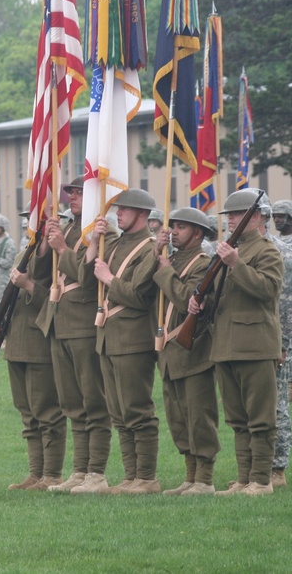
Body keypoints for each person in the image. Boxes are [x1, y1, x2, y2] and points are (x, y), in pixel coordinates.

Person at [191, 189, 283, 495]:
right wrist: (199, 303)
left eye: (235, 214)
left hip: (255, 345)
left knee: (261, 419)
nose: (229, 220)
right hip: (226, 345)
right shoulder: (229, 250)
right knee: (237, 419)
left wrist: (235, 264)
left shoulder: (266, 251)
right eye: (228, 215)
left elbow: (267, 290)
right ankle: (244, 479)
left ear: (254, 217)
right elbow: (220, 296)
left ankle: (261, 480)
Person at [34, 176, 112, 493]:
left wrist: (62, 248)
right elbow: (39, 273)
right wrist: (46, 241)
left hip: (83, 324)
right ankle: (80, 471)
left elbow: (87, 277)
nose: (72, 198)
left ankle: (96, 472)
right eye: (71, 193)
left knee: (94, 402)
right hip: (59, 323)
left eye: (80, 193)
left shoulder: (101, 232)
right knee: (72, 403)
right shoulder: (67, 228)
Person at [85, 188, 160, 494]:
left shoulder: (149, 249)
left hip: (133, 339)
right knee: (119, 413)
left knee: (137, 410)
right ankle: (130, 477)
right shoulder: (115, 244)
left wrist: (109, 279)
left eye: (124, 209)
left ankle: (146, 477)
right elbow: (86, 275)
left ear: (142, 213)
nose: (118, 213)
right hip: (108, 338)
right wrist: (94, 240)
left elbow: (140, 297)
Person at [0, 237, 65, 491]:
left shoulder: (58, 256)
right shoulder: (24, 254)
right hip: (17, 343)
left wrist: (29, 285)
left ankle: (52, 475)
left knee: (47, 413)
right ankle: (35, 473)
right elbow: (13, 299)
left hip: (40, 344)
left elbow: (59, 304)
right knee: (28, 414)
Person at [151, 208, 219, 495]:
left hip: (193, 353)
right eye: (173, 226)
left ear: (198, 233)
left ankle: (204, 479)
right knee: (178, 419)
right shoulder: (171, 258)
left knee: (199, 416)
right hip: (169, 353)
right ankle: (190, 477)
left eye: (181, 227)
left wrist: (166, 269)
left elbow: (185, 300)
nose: (174, 231)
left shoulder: (203, 264)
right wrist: (157, 253)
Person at [270, 202, 292, 488]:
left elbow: (284, 304)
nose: (278, 220)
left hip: (281, 335)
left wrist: (284, 341)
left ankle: (277, 468)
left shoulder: (282, 251)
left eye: (281, 216)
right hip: (262, 335)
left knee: (278, 405)